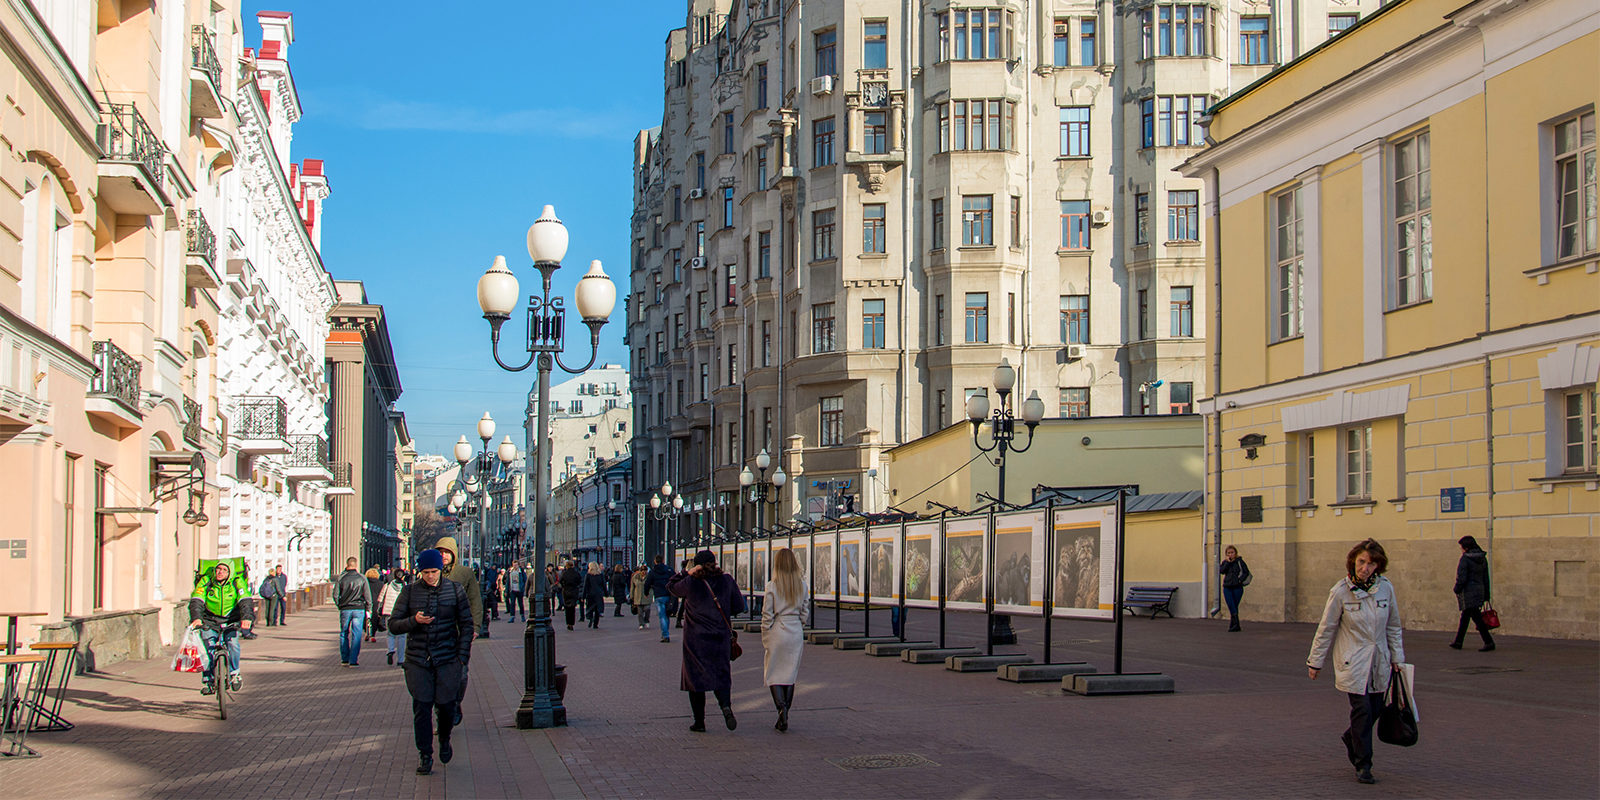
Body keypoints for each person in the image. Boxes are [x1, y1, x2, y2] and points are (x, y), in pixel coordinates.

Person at [1306, 539, 1406, 785]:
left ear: (1378, 566)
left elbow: (1393, 626)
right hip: (1353, 661)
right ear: (1353, 561)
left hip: (1379, 660)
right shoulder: (1341, 591)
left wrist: (1397, 658)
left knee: (1376, 709)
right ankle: (1364, 764)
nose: (1365, 568)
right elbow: (1326, 628)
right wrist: (1315, 661)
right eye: (1361, 562)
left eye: (1371, 563)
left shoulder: (1386, 588)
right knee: (1362, 710)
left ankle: (1352, 737)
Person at [389, 549, 475, 776]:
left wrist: (462, 657)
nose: (430, 576)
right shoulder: (409, 592)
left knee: (446, 706)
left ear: (440, 570)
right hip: (418, 660)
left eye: (434, 571)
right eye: (425, 572)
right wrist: (413, 621)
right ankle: (425, 754)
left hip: (447, 659)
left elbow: (467, 624)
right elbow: (393, 624)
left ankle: (445, 739)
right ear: (420, 572)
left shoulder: (454, 590)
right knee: (422, 706)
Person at [668, 550, 747, 732]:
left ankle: (699, 722)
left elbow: (671, 586)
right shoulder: (726, 580)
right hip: (720, 637)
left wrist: (686, 572)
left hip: (696, 640)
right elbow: (739, 606)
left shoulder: (691, 582)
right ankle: (726, 707)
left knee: (695, 680)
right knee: (721, 675)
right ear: (715, 562)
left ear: (696, 565)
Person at [189, 559, 256, 694]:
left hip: (231, 619)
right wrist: (196, 618)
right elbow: (197, 598)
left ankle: (235, 673)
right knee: (208, 648)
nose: (220, 572)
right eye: (218, 569)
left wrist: (247, 618)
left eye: (224, 570)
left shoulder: (237, 582)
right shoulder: (206, 581)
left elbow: (245, 600)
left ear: (230, 572)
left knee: (233, 644)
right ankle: (208, 680)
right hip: (210, 620)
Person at [433, 538, 481, 724]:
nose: (443, 555)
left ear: (453, 553)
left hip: (459, 632)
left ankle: (454, 702)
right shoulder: (431, 573)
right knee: (438, 677)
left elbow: (475, 600)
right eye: (440, 551)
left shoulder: (465, 573)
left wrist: (475, 627)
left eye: (447, 552)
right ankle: (442, 715)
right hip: (436, 633)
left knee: (460, 673)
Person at [762, 548, 807, 732]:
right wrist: (799, 624)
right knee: (790, 673)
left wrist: (766, 634)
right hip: (795, 629)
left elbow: (767, 614)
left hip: (778, 629)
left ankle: (781, 708)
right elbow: (805, 610)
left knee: (773, 673)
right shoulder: (802, 585)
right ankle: (786, 709)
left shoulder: (772, 586)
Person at [1450, 535, 1494, 652]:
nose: (1461, 549)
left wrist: (1457, 589)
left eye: (1462, 547)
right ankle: (1458, 641)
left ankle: (1488, 641)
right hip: (1480, 590)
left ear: (1466, 547)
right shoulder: (1482, 558)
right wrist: (1486, 594)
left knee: (1476, 618)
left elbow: (1462, 577)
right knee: (1466, 616)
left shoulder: (1465, 559)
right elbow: (1486, 578)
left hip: (1468, 592)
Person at [335, 557, 372, 667]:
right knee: (357, 634)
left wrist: (340, 605)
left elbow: (336, 595)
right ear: (356, 565)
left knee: (344, 633)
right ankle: (353, 660)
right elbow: (367, 595)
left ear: (347, 564)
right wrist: (369, 607)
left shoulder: (341, 578)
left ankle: (344, 659)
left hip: (345, 608)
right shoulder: (362, 578)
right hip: (359, 609)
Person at [379, 568, 408, 666]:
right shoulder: (406, 586)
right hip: (402, 613)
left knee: (390, 634)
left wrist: (379, 611)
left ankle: (390, 650)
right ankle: (401, 659)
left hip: (388, 612)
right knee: (402, 636)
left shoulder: (387, 585)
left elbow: (380, 598)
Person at [1219, 545, 1252, 632]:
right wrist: (1227, 563)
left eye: (1232, 552)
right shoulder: (1225, 562)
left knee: (1235, 605)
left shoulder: (1240, 562)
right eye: (1228, 553)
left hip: (1237, 587)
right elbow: (1221, 571)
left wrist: (1239, 580)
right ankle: (1235, 624)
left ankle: (1234, 624)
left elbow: (1245, 572)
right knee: (1231, 604)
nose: (1230, 555)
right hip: (1227, 587)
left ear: (1235, 553)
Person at [648, 556, 674, 642]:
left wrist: (646, 592)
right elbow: (675, 579)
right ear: (663, 561)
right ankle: (666, 632)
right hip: (668, 594)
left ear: (655, 561)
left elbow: (648, 583)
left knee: (662, 616)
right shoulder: (669, 570)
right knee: (667, 615)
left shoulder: (653, 572)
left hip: (659, 595)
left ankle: (665, 634)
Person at [559, 560, 583, 630]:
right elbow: (579, 580)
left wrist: (564, 586)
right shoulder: (576, 573)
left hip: (566, 591)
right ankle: (572, 623)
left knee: (567, 608)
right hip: (574, 591)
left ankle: (568, 623)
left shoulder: (565, 573)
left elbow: (561, 581)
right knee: (572, 608)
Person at [583, 562, 607, 628]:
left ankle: (590, 618)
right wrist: (606, 593)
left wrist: (583, 596)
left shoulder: (588, 575)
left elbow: (585, 586)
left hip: (590, 594)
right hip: (598, 594)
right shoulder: (600, 575)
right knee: (597, 610)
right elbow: (604, 585)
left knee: (590, 608)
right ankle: (595, 624)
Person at [364, 566, 383, 642]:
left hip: (366, 601)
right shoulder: (380, 583)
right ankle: (373, 635)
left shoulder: (365, 583)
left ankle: (367, 632)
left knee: (366, 618)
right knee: (374, 619)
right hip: (376, 603)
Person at [630, 565, 651, 630]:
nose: (643, 572)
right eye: (642, 571)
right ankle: (641, 623)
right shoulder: (635, 577)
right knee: (640, 612)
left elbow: (652, 586)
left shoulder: (649, 577)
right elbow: (632, 587)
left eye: (645, 571)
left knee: (647, 609)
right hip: (638, 597)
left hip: (646, 596)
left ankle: (646, 620)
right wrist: (632, 596)